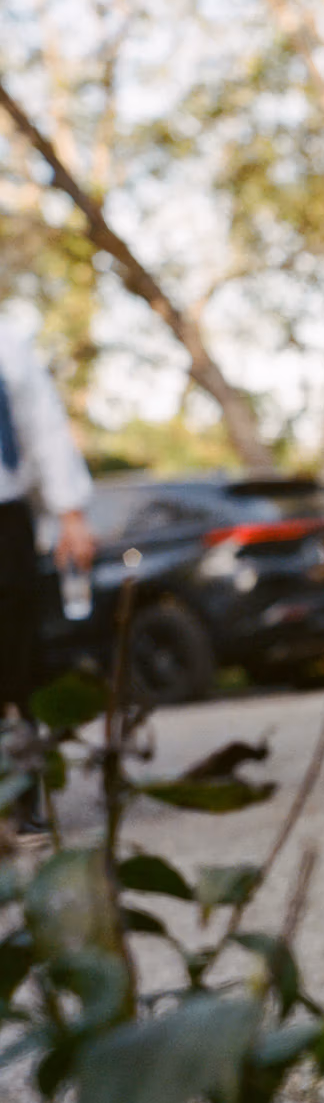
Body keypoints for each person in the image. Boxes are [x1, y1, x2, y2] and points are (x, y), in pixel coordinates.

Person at [0, 323, 94, 831]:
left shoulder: (5, 343)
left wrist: (70, 513)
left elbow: (43, 425)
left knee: (15, 662)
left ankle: (17, 801)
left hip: (4, 522)